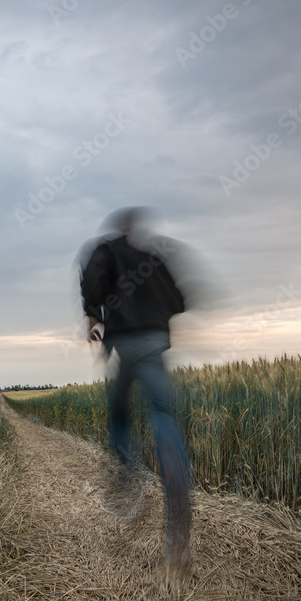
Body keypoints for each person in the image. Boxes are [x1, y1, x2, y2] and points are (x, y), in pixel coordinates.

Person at [77, 206, 194, 580]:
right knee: (164, 416)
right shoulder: (153, 255)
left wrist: (93, 315)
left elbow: (93, 279)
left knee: (119, 413)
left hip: (127, 344)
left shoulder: (106, 250)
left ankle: (130, 469)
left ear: (118, 228)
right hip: (156, 344)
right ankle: (176, 511)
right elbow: (180, 299)